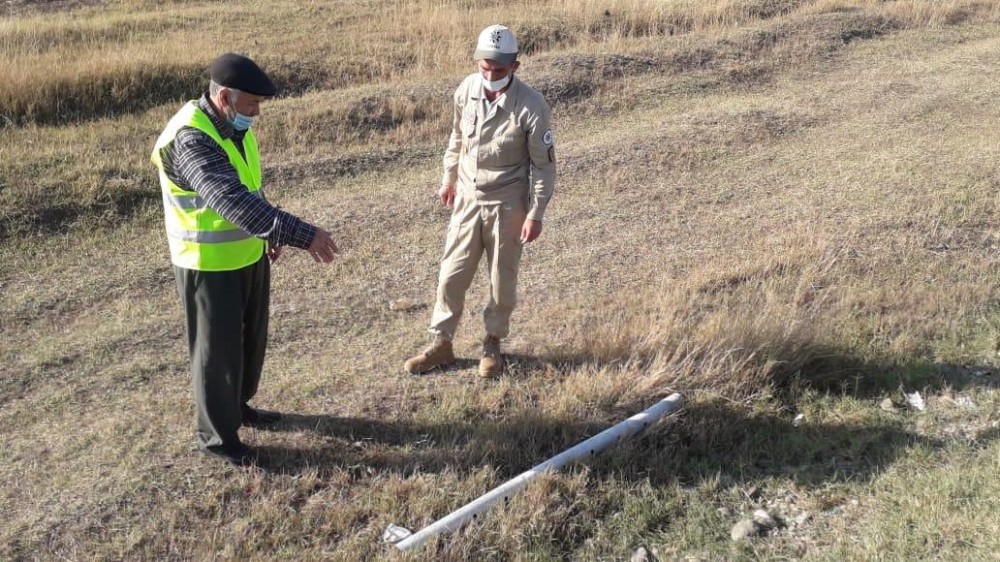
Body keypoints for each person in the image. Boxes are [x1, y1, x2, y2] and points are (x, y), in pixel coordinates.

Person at [151, 53, 339, 466]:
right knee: (216, 354)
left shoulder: (234, 129)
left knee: (247, 343)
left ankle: (238, 408)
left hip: (247, 254)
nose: (256, 113)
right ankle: (218, 438)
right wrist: (303, 235)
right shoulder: (192, 138)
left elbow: (249, 188)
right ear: (224, 98)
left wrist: (268, 234)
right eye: (251, 104)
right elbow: (228, 200)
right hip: (208, 265)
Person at [404, 25, 556, 378]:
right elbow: (456, 137)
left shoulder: (532, 106)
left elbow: (544, 167)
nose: (490, 75)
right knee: (450, 275)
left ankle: (492, 344)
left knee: (501, 280)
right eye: (484, 67)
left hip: (508, 204)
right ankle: (441, 344)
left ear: (515, 67)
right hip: (468, 199)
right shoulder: (467, 90)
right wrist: (449, 178)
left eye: (499, 70)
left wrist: (536, 214)